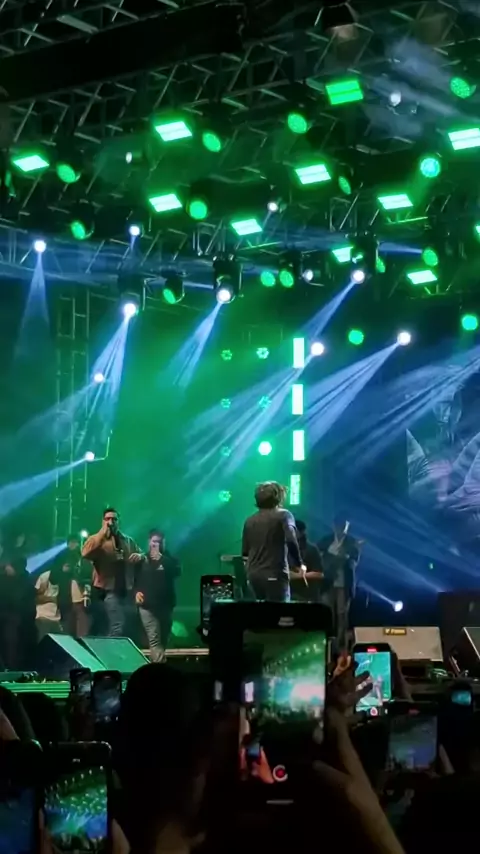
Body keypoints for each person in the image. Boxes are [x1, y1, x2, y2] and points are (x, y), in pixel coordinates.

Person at [82, 507, 143, 637]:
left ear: (119, 521)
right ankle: (111, 647)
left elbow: (142, 555)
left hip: (126, 588)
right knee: (117, 623)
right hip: (107, 589)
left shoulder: (127, 540)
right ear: (102, 521)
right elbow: (85, 553)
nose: (111, 522)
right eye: (107, 519)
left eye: (114, 519)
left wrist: (140, 556)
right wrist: (101, 535)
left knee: (127, 624)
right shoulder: (96, 540)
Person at [242, 481, 304, 603]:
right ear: (278, 496)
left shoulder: (249, 520)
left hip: (253, 575)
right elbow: (291, 540)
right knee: (279, 611)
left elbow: (245, 553)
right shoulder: (284, 515)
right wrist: (299, 564)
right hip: (275, 573)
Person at [134, 529, 181, 662]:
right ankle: (159, 669)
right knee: (154, 640)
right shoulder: (142, 560)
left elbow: (176, 572)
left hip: (165, 606)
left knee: (163, 640)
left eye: (159, 542)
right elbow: (133, 580)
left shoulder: (170, 560)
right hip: (147, 606)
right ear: (149, 542)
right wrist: (135, 593)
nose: (156, 545)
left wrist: (161, 559)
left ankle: (154, 666)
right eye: (154, 542)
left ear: (164, 543)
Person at [36, 534, 89, 640]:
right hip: (43, 616)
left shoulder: (74, 580)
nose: (68, 567)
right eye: (66, 564)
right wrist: (49, 599)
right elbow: (35, 596)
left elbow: (78, 605)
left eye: (71, 564)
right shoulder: (46, 576)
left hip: (62, 618)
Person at [318, 517, 360, 648]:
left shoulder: (352, 542)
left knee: (342, 614)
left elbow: (354, 562)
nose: (342, 529)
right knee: (327, 612)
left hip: (344, 583)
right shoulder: (326, 540)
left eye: (345, 526)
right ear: (334, 526)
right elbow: (318, 557)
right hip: (328, 583)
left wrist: (345, 558)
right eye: (340, 526)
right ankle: (326, 641)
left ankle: (341, 645)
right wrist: (331, 560)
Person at [0, 531, 35, 669]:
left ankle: (10, 667)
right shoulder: (6, 572)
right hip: (7, 611)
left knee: (11, 641)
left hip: (13, 613)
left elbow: (22, 597)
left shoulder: (22, 577)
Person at [289, 519, 324, 602]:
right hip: (290, 592)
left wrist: (299, 575)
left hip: (307, 594)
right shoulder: (286, 548)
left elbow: (319, 574)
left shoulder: (311, 549)